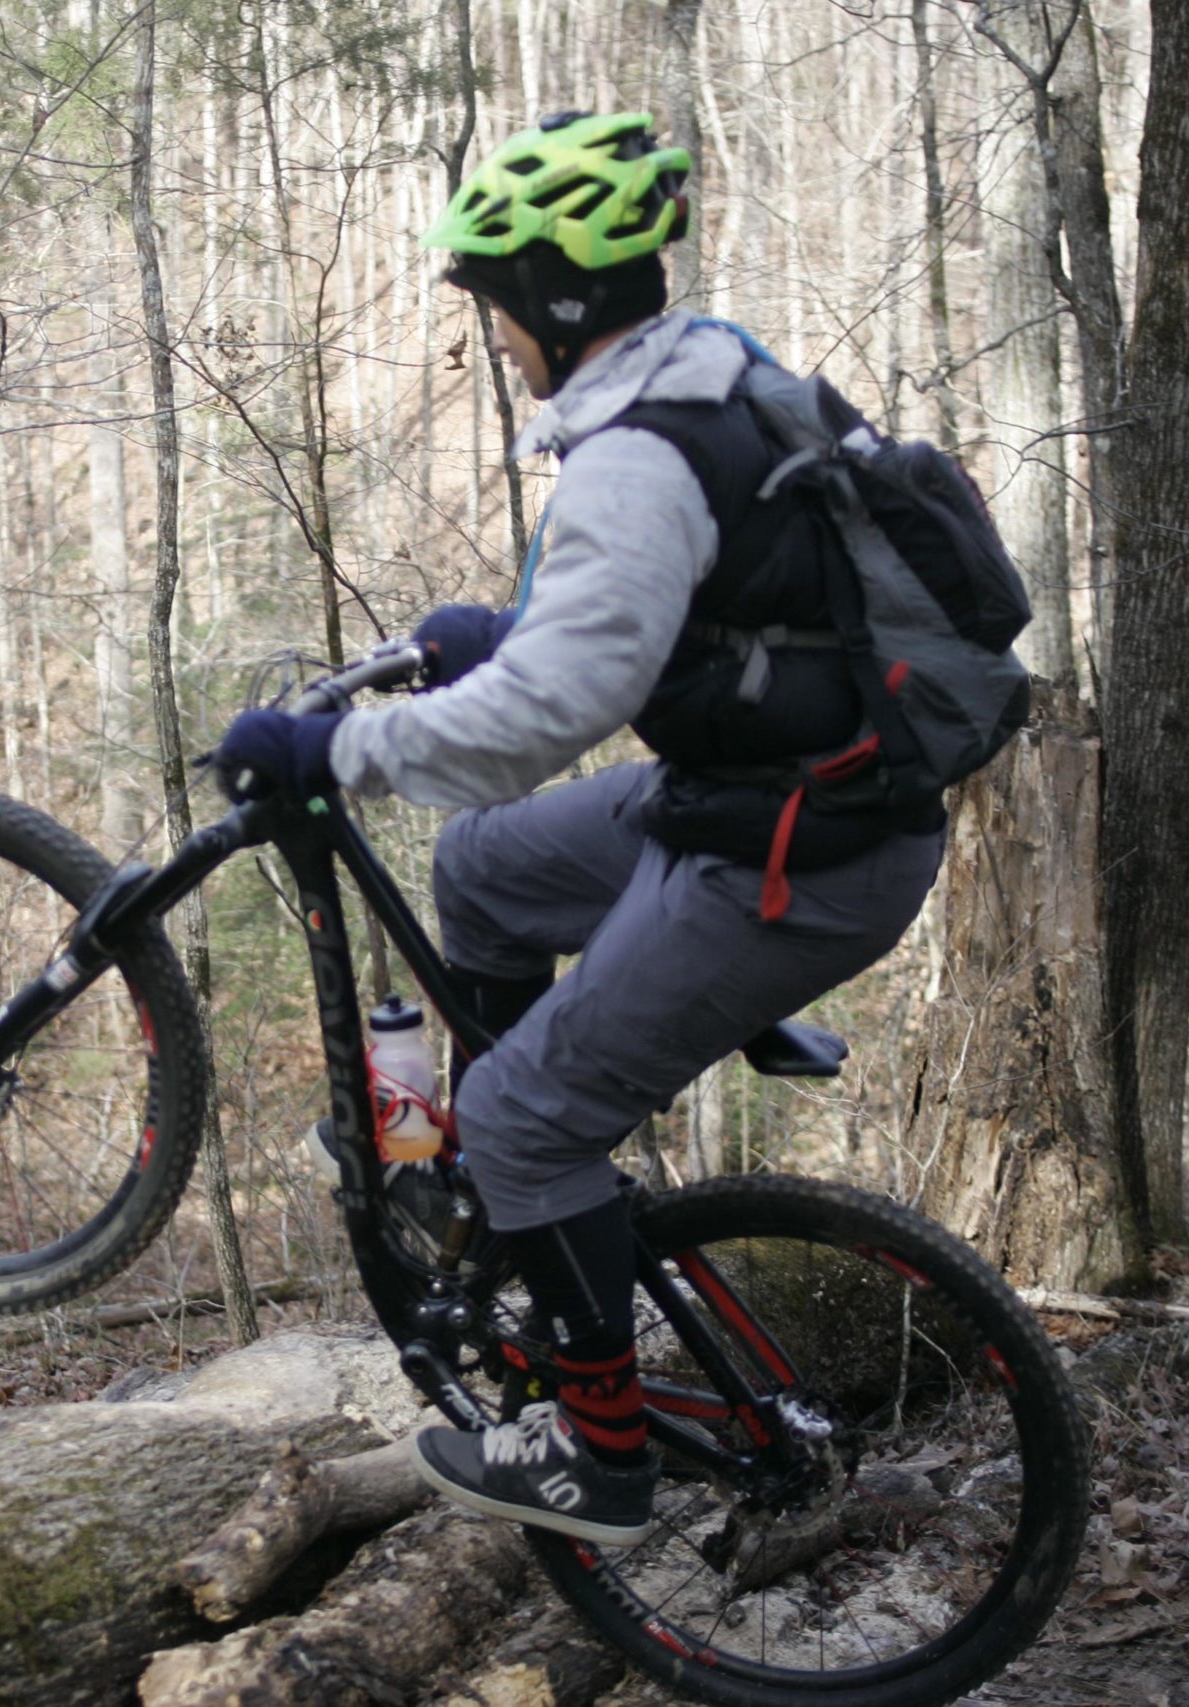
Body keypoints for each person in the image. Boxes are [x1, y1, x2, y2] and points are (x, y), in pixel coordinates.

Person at [210, 111, 950, 1546]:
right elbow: (712, 603)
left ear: (551, 303)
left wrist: (331, 750)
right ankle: (472, 1195)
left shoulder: (635, 459)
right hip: (774, 794)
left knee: (525, 1109)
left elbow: (546, 717)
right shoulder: (709, 371)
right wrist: (506, 628)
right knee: (483, 871)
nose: (489, 331)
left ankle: (601, 1458)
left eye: (493, 301)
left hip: (801, 854)